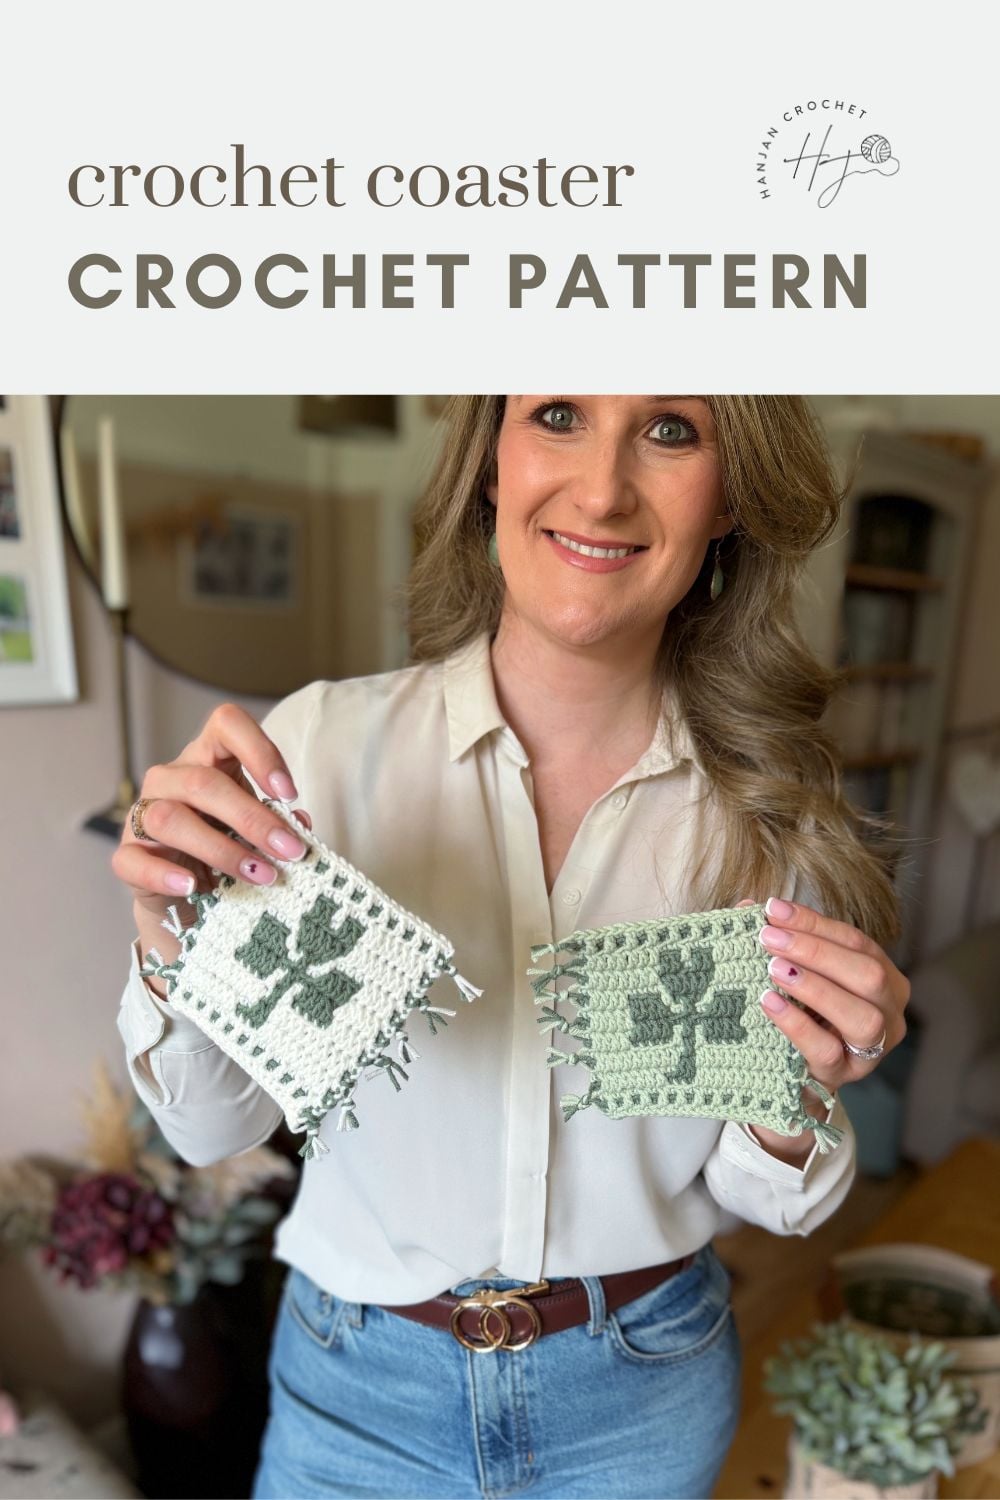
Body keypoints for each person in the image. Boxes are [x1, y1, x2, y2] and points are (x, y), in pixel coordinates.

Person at [112, 395, 910, 1500]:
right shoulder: (312, 758)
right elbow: (211, 1129)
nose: (600, 488)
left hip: (640, 1395)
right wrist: (170, 930)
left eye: (671, 430)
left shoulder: (774, 821)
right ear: (491, 460)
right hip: (355, 1396)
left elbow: (770, 1200)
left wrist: (797, 1090)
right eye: (557, 415)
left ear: (731, 496)